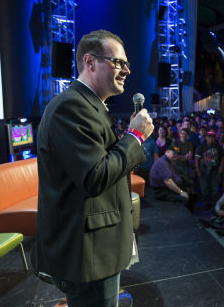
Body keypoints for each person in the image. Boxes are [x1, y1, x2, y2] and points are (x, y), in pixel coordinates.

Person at [36, 30, 155, 306]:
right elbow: (95, 175)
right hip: (87, 254)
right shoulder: (71, 107)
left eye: (125, 63)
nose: (127, 70)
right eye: (118, 63)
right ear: (89, 62)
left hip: (96, 247)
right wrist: (135, 137)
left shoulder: (90, 105)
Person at [196, 130, 224, 210]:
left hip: (215, 169)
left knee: (214, 188)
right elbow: (197, 159)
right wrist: (198, 170)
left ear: (215, 138)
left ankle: (213, 203)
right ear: (206, 138)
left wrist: (221, 167)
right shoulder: (201, 147)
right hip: (204, 170)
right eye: (209, 137)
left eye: (212, 137)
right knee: (205, 188)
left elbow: (222, 157)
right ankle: (206, 203)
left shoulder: (218, 147)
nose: (211, 139)